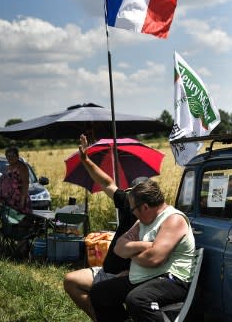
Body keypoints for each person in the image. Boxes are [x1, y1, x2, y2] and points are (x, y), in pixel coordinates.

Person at [63, 134, 145, 322]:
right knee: (71, 281)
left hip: (126, 277)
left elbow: (154, 254)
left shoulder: (156, 219)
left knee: (103, 296)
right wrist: (85, 160)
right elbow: (107, 183)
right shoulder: (126, 202)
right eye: (132, 194)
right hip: (106, 272)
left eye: (139, 196)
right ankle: (102, 318)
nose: (133, 199)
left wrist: (132, 272)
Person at [89, 179, 196, 322]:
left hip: (172, 280)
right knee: (99, 292)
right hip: (146, 277)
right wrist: (146, 246)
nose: (133, 214)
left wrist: (132, 252)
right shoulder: (142, 221)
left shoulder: (173, 220)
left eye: (133, 209)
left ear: (145, 207)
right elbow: (118, 248)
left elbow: (154, 259)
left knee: (138, 300)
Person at [0, 146, 31, 214]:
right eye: (8, 156)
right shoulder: (8, 167)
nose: (10, 158)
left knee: (19, 221)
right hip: (8, 200)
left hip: (18, 200)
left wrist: (22, 201)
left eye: (12, 156)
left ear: (17, 156)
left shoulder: (22, 166)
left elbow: (25, 184)